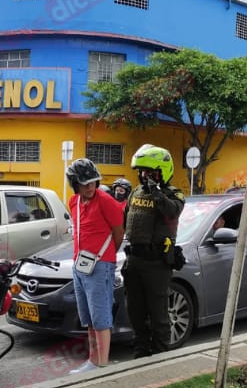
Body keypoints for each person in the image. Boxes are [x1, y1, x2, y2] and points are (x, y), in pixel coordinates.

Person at [123, 144, 185, 358]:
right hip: (134, 261)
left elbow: (172, 211)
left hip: (156, 264)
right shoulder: (135, 193)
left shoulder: (174, 194)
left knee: (159, 316)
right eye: (142, 172)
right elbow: (124, 221)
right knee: (135, 312)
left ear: (161, 172)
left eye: (150, 172)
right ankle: (140, 355)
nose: (144, 176)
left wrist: (157, 193)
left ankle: (160, 360)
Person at [65, 159, 124, 374]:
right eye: (85, 183)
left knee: (101, 317)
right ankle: (93, 360)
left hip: (100, 265)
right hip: (80, 265)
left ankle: (103, 365)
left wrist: (106, 257)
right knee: (88, 317)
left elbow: (118, 232)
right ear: (75, 184)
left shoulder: (107, 201)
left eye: (93, 182)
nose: (90, 187)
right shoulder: (74, 202)